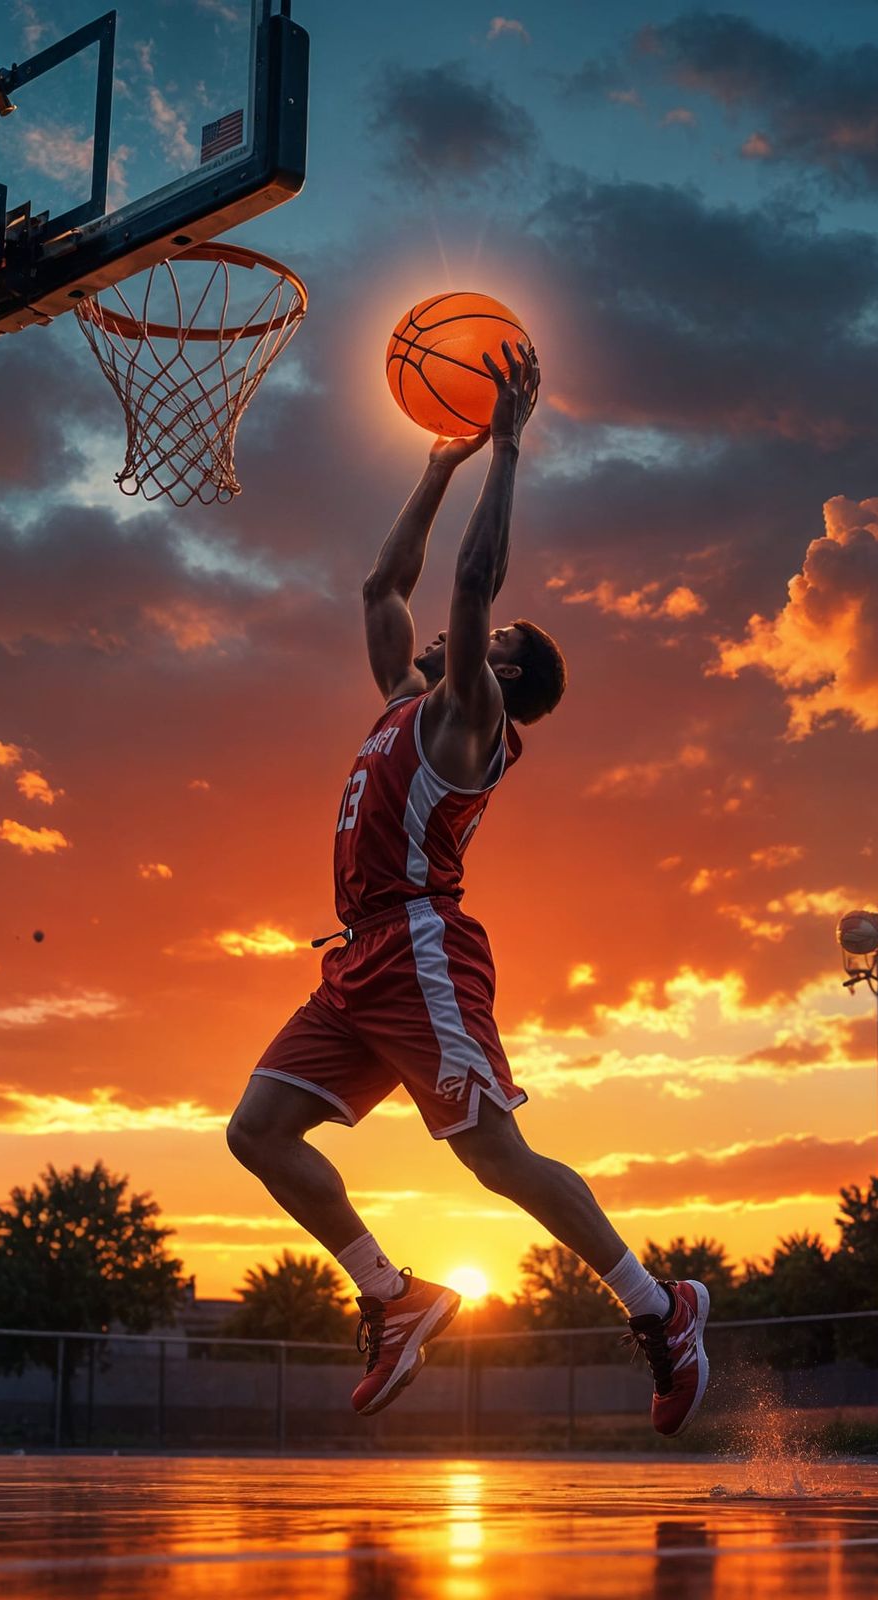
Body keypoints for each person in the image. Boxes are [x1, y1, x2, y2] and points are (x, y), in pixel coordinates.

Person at [226, 341, 710, 1434]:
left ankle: (657, 1305)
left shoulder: (466, 722)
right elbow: (381, 586)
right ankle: (395, 1296)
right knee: (256, 1130)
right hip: (358, 958)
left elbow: (467, 578)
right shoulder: (404, 698)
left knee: (495, 1159)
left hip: (422, 949)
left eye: (494, 640)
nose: (472, 633)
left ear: (506, 679)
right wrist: (437, 470)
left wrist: (506, 447)